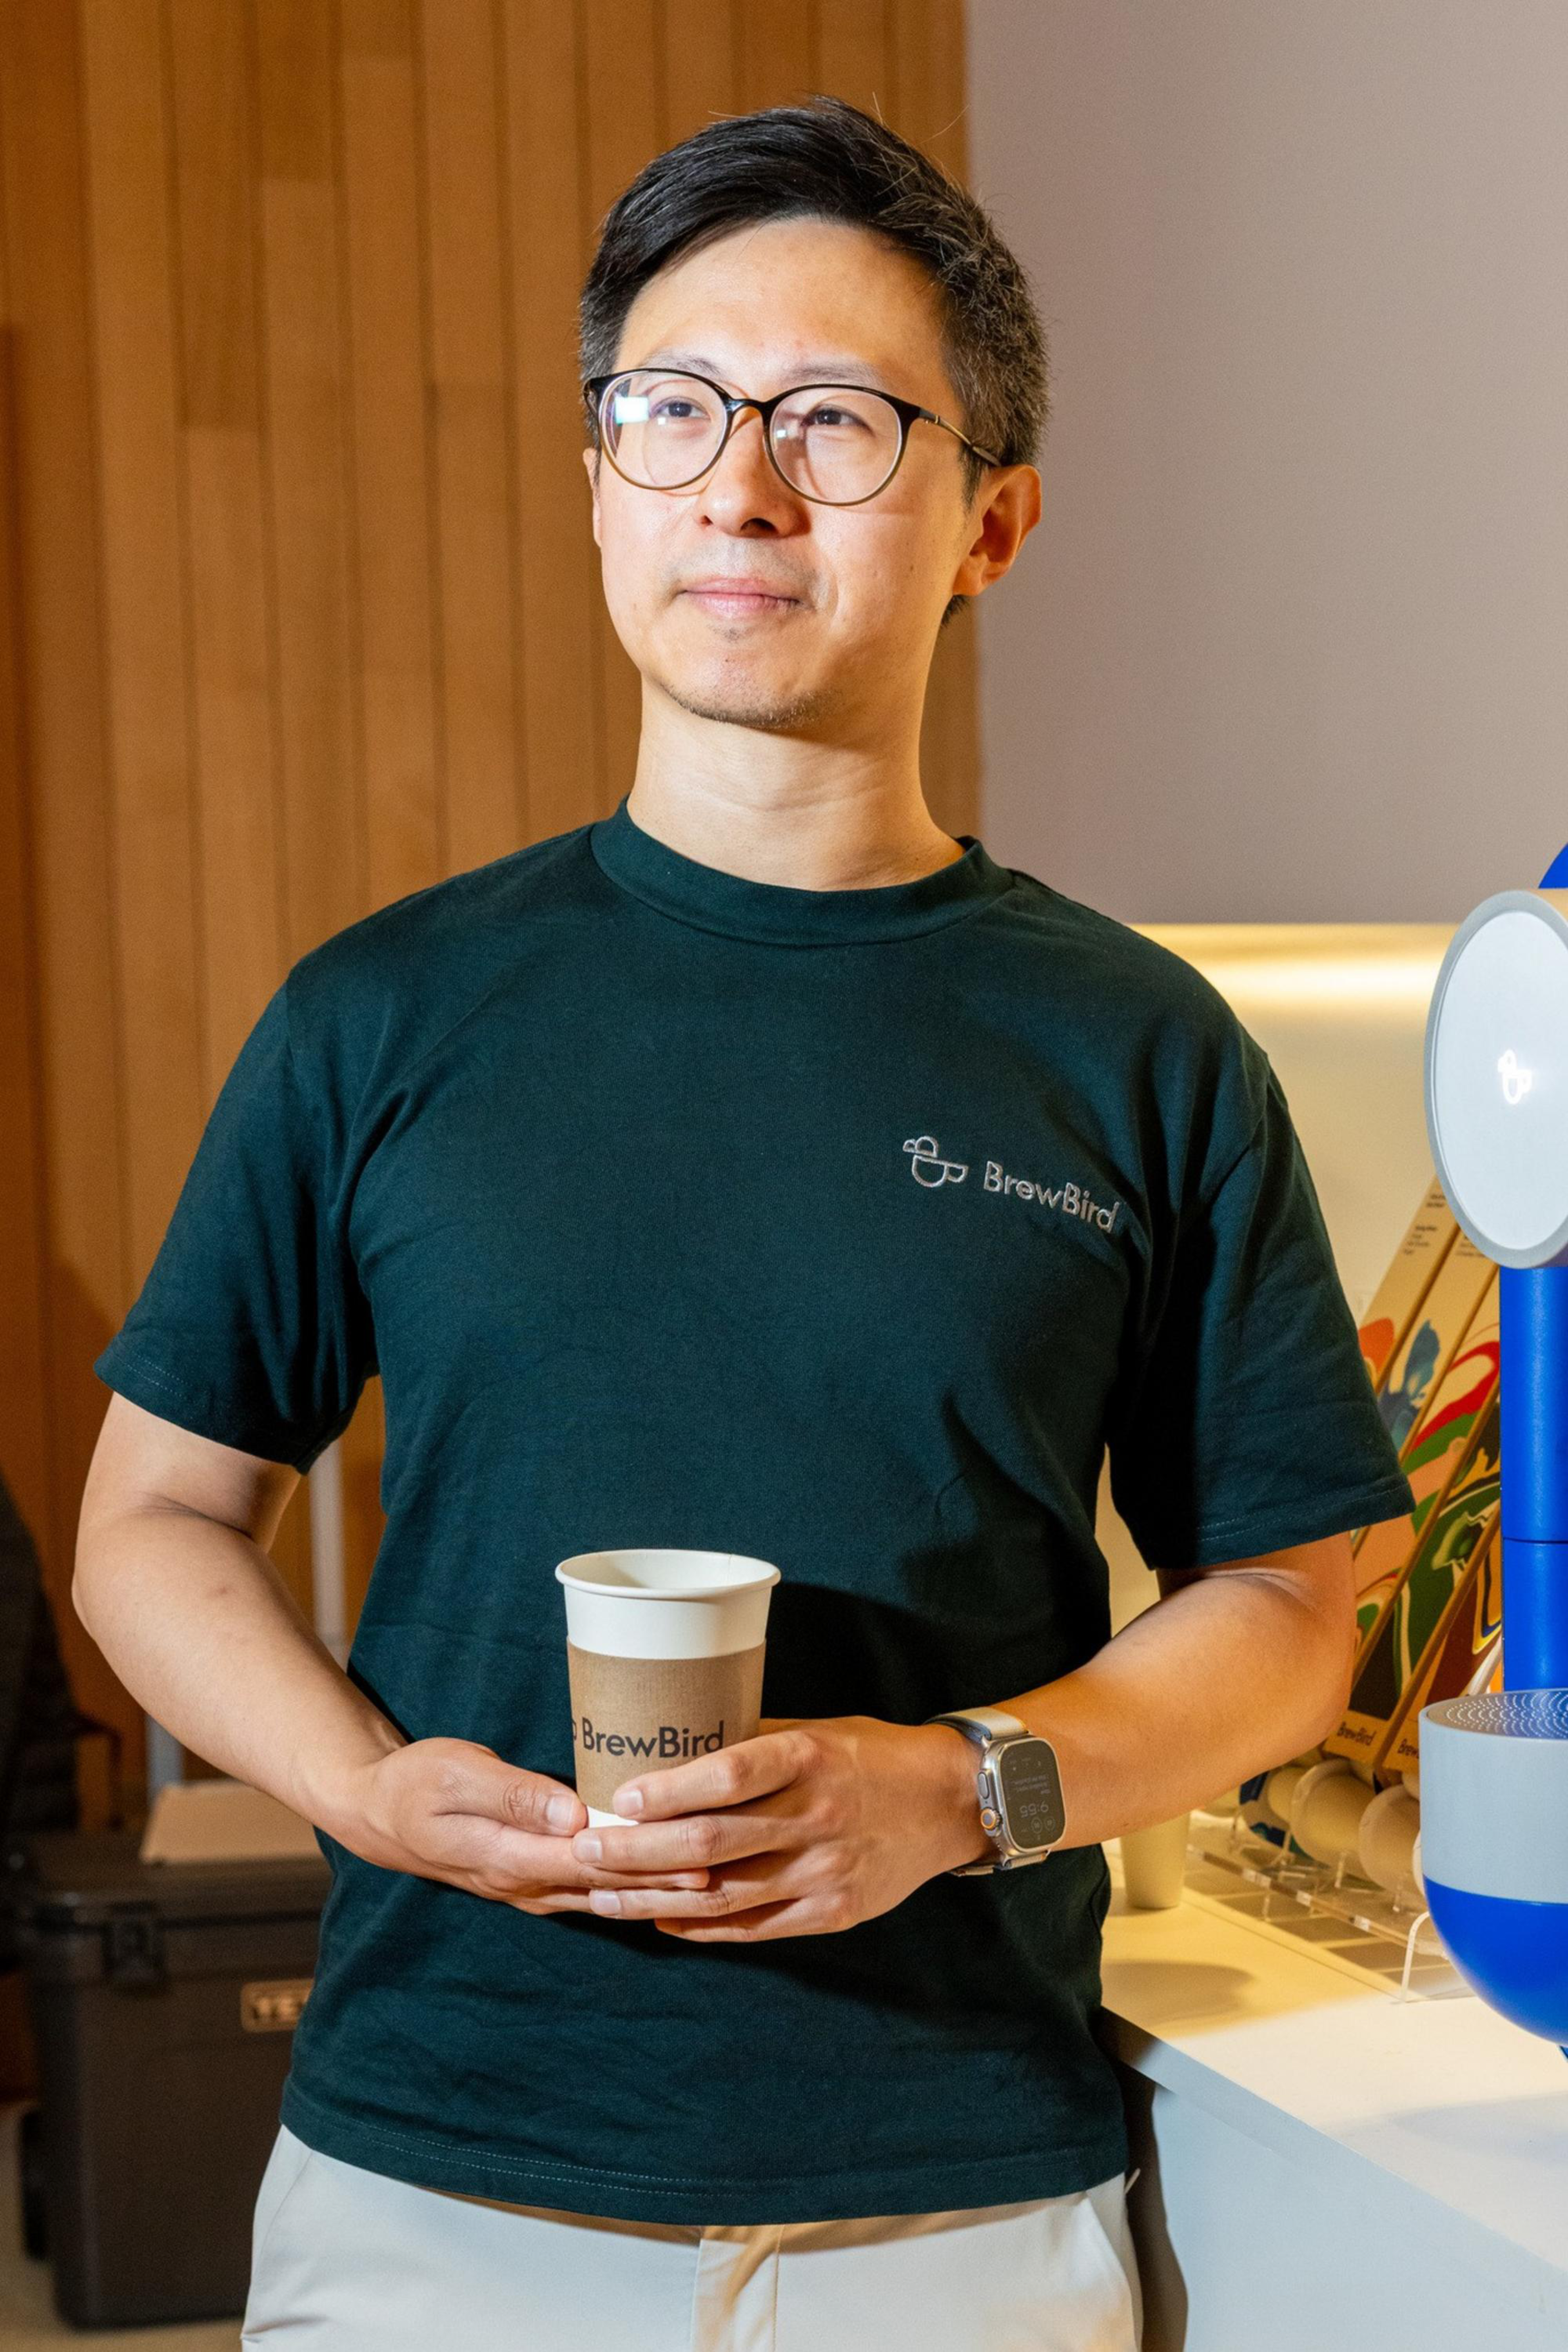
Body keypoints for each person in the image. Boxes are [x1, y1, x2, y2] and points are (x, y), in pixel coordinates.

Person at [74, 96, 1414, 2352]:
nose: (740, 482)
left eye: (835, 423)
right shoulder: (388, 1013)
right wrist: (368, 1790)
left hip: (961, 2206)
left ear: (994, 522)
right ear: (601, 481)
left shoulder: (1137, 1044)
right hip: (438, 2179)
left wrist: (970, 1788)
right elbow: (156, 1520)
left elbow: (1294, 1599)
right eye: (670, 411)